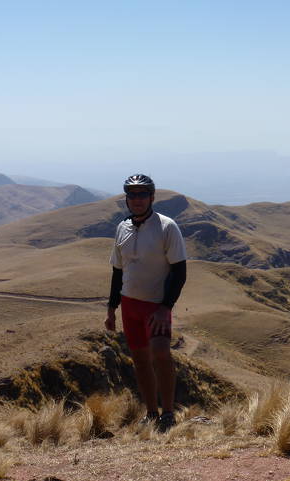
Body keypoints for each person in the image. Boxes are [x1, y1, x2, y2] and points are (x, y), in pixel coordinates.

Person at [105, 174, 187, 432]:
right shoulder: (122, 228)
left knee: (161, 354)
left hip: (155, 305)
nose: (137, 200)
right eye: (132, 195)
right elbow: (118, 271)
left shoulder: (166, 227)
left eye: (142, 194)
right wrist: (111, 309)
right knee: (140, 360)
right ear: (127, 199)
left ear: (152, 197)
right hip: (130, 305)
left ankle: (169, 413)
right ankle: (151, 412)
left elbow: (179, 271)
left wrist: (165, 308)